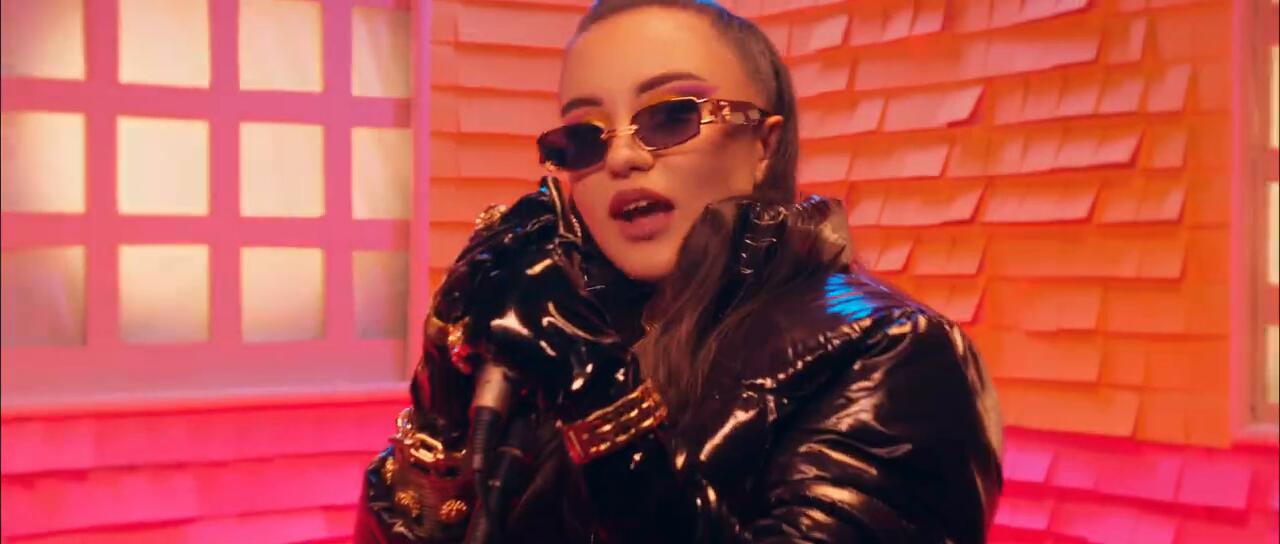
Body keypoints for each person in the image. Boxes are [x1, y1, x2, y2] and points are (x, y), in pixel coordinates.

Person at [355, 0, 1004, 542]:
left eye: (671, 116)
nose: (622, 159)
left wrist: (601, 402)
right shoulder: (562, 334)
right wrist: (443, 397)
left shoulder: (894, 350)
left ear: (764, 145)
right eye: (583, 136)